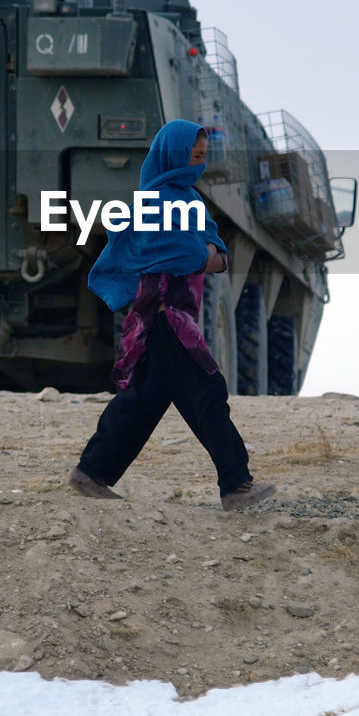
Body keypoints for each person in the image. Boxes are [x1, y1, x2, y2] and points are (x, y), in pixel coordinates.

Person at [68, 120, 277, 511]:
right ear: (173, 154)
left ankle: (91, 472)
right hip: (164, 313)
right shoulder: (155, 202)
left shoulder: (188, 200)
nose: (198, 163)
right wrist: (205, 255)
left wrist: (206, 254)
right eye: (192, 156)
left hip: (177, 311)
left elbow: (216, 253)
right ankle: (236, 485)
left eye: (202, 157)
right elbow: (187, 253)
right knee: (208, 391)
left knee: (143, 398)